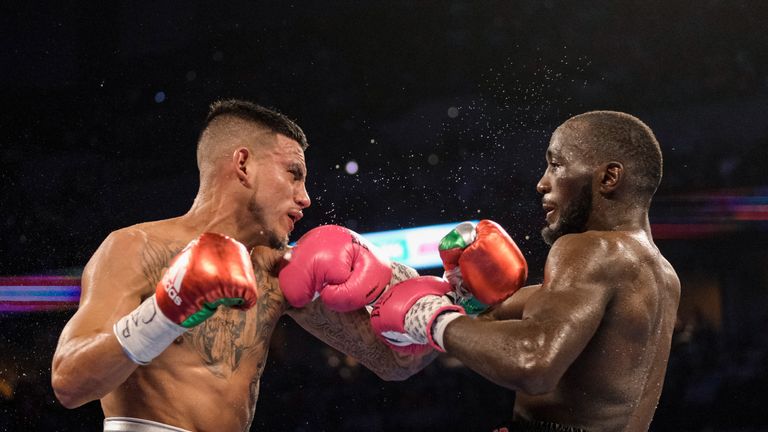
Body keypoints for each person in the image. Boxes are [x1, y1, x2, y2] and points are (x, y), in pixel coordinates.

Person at [51, 99, 434, 432]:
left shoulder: (280, 273)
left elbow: (394, 364)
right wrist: (167, 310)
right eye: (293, 174)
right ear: (243, 164)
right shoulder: (135, 248)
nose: (306, 199)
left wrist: (453, 302)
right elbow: (69, 383)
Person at [371, 111, 681, 431]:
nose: (542, 182)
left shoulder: (591, 248)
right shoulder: (661, 274)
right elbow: (534, 310)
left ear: (608, 178)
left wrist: (433, 319)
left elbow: (533, 363)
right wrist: (469, 303)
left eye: (556, 164)